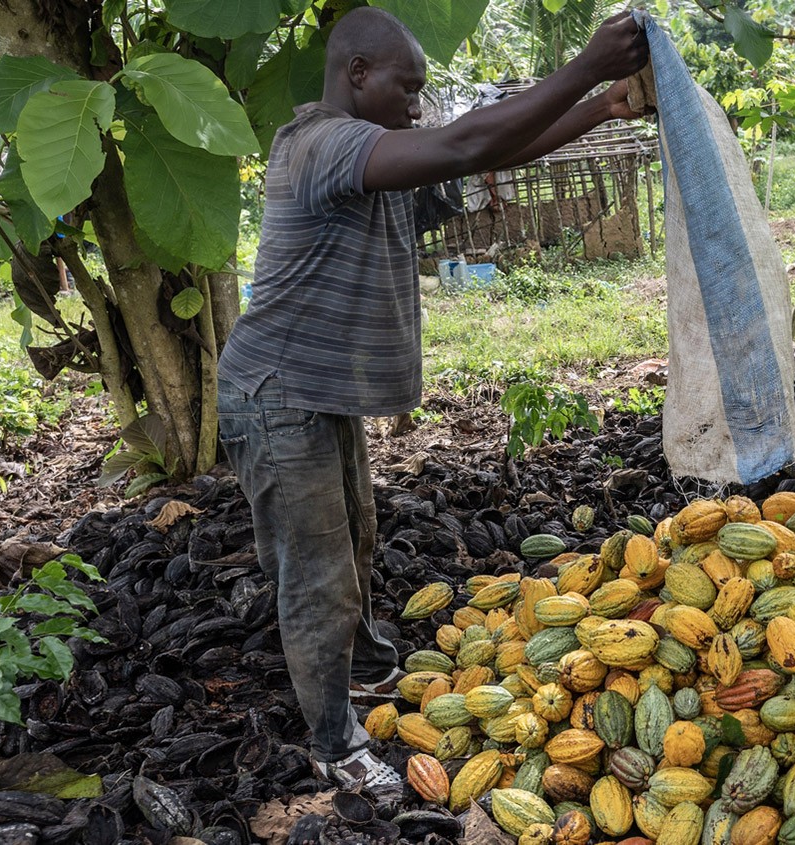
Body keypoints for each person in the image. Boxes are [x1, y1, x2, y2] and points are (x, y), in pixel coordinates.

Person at [215, 5, 649, 791]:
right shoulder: (318, 144)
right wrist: (587, 66)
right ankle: (334, 743)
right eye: (405, 86)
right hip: (276, 390)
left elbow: (482, 154)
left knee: (356, 538)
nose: (416, 105)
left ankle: (364, 668)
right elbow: (464, 139)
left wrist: (600, 108)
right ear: (355, 74)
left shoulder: (373, 160)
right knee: (316, 569)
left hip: (315, 391)